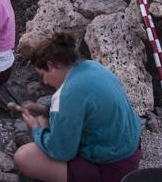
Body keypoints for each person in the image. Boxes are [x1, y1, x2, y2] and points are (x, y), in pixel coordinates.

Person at [13, 33, 142, 182]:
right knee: (43, 118)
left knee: (23, 156)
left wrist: (35, 129)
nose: (45, 82)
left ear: (51, 65)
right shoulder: (92, 66)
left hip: (111, 168)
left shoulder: (68, 94)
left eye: (42, 75)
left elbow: (62, 152)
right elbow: (82, 103)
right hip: (129, 151)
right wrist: (44, 109)